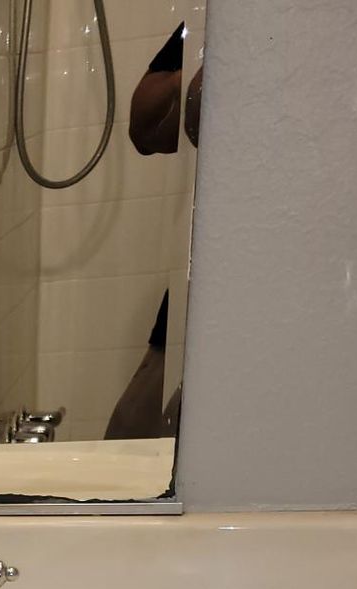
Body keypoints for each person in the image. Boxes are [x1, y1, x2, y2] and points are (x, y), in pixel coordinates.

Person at [105, 27, 201, 441]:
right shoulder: (202, 24)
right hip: (191, 295)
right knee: (128, 442)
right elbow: (145, 132)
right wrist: (195, 60)